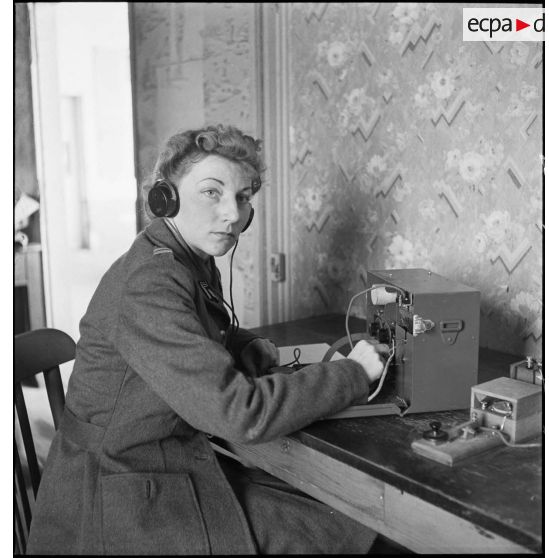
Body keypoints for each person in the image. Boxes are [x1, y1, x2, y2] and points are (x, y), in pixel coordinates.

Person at [27, 124, 386, 555]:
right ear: (166, 197)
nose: (233, 215)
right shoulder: (149, 282)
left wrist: (239, 345)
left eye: (242, 197)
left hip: (164, 461)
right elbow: (240, 413)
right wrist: (352, 374)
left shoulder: (186, 258)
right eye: (212, 192)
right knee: (344, 532)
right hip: (119, 494)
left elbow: (192, 330)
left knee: (340, 518)